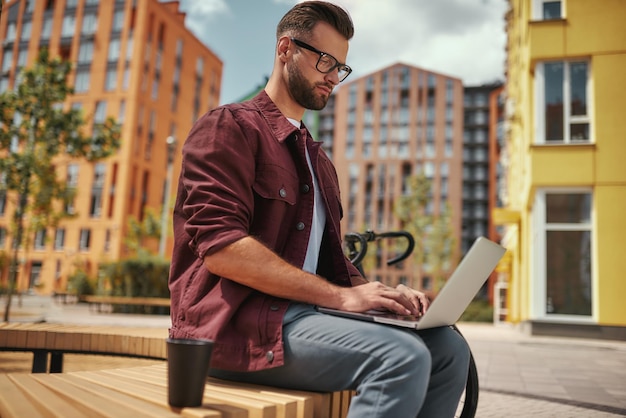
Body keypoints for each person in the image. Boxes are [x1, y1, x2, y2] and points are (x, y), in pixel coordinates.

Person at [168, 1, 470, 416]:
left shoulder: (317, 160)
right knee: (401, 356)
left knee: (449, 348)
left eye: (340, 68)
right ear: (285, 49)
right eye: (325, 60)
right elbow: (223, 249)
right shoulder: (229, 127)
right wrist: (342, 299)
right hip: (233, 328)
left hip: (303, 320)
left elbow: (332, 264)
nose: (333, 77)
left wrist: (383, 296)